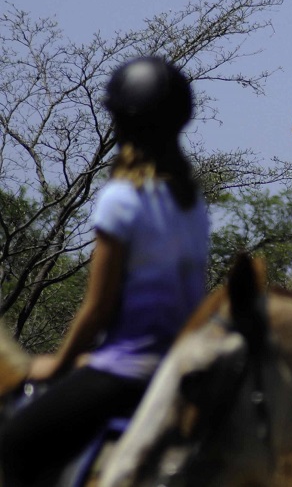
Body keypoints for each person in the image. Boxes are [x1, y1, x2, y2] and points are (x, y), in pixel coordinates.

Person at [0, 56, 210, 485]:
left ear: (121, 122)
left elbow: (97, 309)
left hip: (125, 374)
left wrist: (58, 365)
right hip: (179, 375)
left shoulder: (121, 198)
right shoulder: (192, 204)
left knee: (14, 442)